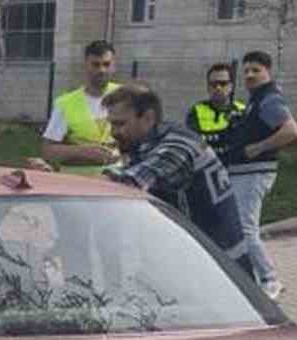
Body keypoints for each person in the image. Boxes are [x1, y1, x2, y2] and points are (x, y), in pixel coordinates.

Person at [101, 82, 251, 273]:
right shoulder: (150, 144)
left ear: (148, 118)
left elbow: (127, 185)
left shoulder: (177, 147)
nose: (113, 132)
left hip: (219, 269)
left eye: (120, 124)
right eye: (111, 124)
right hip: (199, 259)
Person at [220, 50, 297, 300]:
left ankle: (270, 279)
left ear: (268, 72)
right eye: (246, 71)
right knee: (241, 227)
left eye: (256, 70)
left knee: (246, 229)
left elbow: (291, 130)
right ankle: (253, 280)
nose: (250, 75)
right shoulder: (257, 99)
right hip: (245, 172)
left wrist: (258, 147)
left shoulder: (269, 99)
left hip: (253, 173)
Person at [38, 40, 120, 174]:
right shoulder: (65, 103)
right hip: (77, 181)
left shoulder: (126, 96)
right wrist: (82, 152)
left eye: (106, 64)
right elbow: (48, 151)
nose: (101, 70)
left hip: (117, 181)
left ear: (114, 66)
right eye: (95, 65)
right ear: (85, 65)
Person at [185, 63, 245, 154]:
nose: (218, 88)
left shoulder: (242, 110)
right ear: (208, 87)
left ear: (231, 86)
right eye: (213, 84)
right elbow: (193, 143)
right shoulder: (196, 110)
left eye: (223, 84)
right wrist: (224, 134)